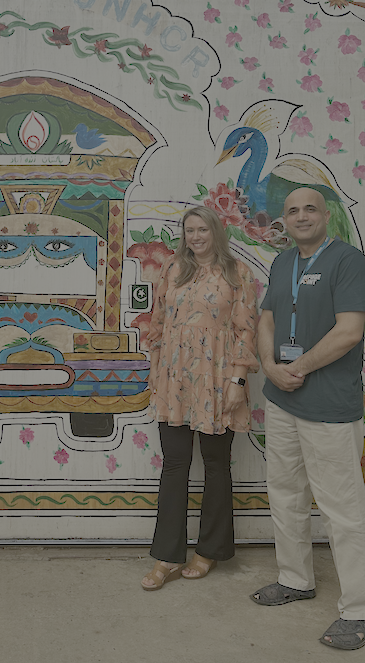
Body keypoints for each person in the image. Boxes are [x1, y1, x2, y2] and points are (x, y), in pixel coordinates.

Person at [251, 187, 365, 650]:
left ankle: (360, 611)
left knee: (341, 509)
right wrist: (269, 367)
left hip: (327, 407)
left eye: (310, 209)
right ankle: (295, 579)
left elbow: (349, 331)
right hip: (283, 401)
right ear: (283, 222)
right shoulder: (283, 262)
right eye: (292, 211)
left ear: (326, 216)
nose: (301, 216)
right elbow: (266, 319)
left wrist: (296, 369)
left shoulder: (348, 261)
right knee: (285, 494)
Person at [141, 205, 258, 590]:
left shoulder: (237, 274)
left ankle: (209, 551)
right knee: (174, 465)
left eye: (202, 229)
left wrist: (238, 382)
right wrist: (157, 374)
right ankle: (166, 556)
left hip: (218, 379)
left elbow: (245, 331)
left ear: (215, 233)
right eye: (189, 230)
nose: (195, 237)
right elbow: (157, 326)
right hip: (175, 381)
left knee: (215, 465)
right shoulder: (172, 270)